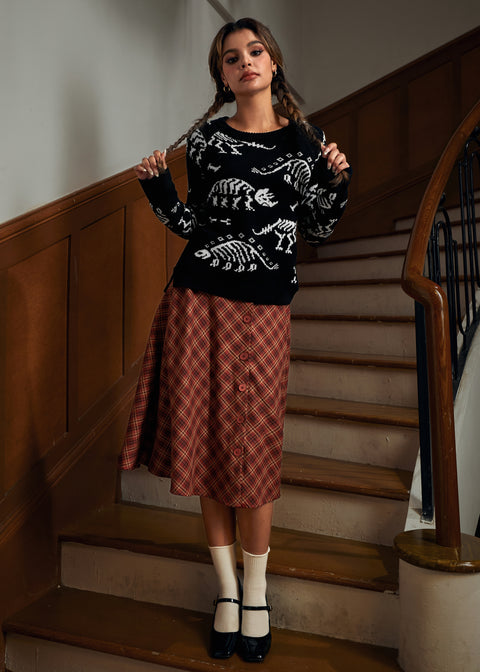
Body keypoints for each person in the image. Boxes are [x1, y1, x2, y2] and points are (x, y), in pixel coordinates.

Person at [119, 16, 351, 663]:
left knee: (253, 452)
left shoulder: (307, 142)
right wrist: (158, 189)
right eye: (231, 56)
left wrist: (336, 182)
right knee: (206, 443)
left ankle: (256, 591)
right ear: (221, 76)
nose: (244, 61)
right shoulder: (207, 141)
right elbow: (193, 223)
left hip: (266, 309)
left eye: (254, 51)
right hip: (197, 300)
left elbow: (319, 228)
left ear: (273, 63)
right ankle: (226, 590)